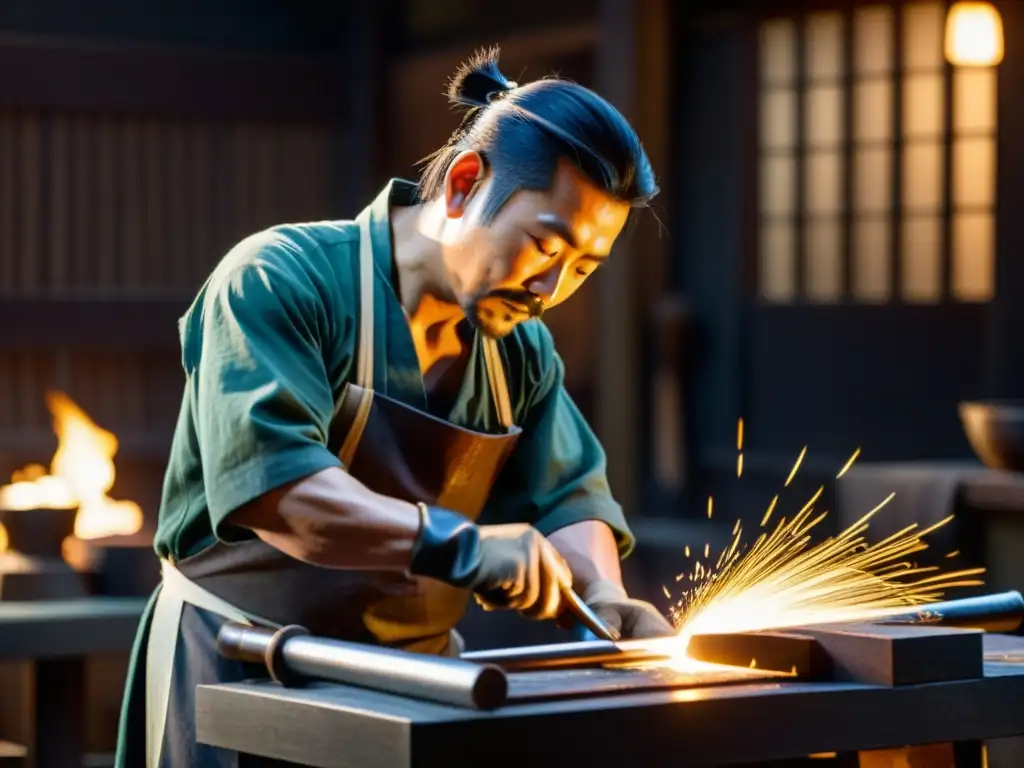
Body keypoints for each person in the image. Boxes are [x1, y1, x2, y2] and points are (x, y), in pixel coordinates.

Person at [115, 47, 675, 767]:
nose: (551, 289)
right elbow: (279, 491)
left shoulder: (520, 353)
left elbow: (567, 495)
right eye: (544, 245)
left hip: (413, 693)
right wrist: (460, 546)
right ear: (465, 184)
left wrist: (603, 590)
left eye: (584, 269)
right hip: (233, 667)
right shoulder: (281, 279)